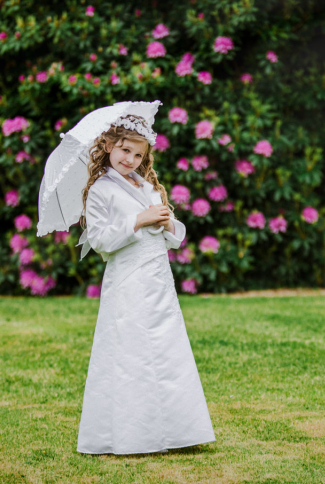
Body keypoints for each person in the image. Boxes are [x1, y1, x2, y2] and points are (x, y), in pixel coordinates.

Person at [75, 113, 216, 455]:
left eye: (138, 155)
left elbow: (173, 236)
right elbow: (101, 240)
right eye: (124, 150)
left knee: (167, 349)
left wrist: (166, 222)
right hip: (128, 280)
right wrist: (138, 219)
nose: (130, 160)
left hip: (158, 281)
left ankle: (177, 430)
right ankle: (132, 434)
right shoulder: (100, 191)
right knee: (132, 351)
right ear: (108, 145)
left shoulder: (147, 186)